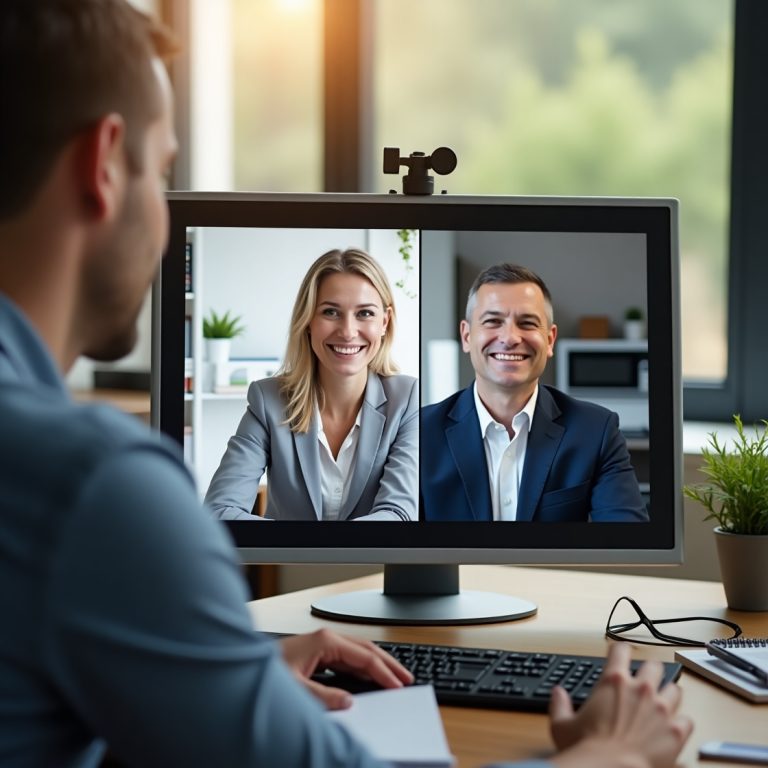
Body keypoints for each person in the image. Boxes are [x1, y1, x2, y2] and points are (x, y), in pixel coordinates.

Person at [0, 2, 691, 766]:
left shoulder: (419, 406)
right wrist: (615, 753)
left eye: (365, 313)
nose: (348, 331)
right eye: (162, 172)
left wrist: (238, 682)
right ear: (103, 164)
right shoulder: (93, 484)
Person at [421, 263, 648, 522]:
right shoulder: (417, 433)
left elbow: (627, 543)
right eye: (493, 321)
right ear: (466, 336)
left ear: (550, 340)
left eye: (527, 323)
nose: (510, 338)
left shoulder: (596, 431)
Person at [205, 248, 419, 521]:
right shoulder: (268, 400)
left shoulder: (408, 399)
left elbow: (399, 514)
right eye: (331, 312)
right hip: (289, 564)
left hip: (375, 566)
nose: (348, 331)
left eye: (365, 313)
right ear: (308, 321)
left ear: (385, 322)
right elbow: (220, 511)